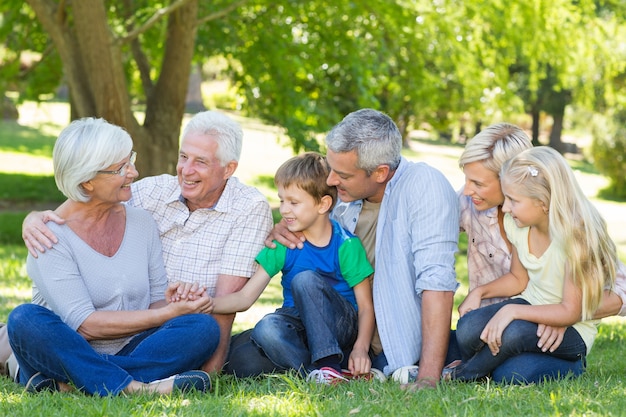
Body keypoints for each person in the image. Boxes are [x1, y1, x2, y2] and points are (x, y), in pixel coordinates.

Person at [20, 111, 274, 374]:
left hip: (145, 339)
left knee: (201, 328)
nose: (186, 171)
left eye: (201, 162)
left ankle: (80, 376)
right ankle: (129, 382)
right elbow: (85, 202)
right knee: (24, 321)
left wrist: (209, 373)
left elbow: (218, 304)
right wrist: (34, 218)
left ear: (228, 169)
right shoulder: (149, 193)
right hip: (82, 339)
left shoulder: (144, 217)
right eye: (183, 157)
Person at [234, 109, 459, 388]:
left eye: (341, 174)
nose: (330, 181)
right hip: (325, 328)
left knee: (252, 356)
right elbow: (311, 215)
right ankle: (328, 373)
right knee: (241, 358)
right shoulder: (343, 195)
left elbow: (437, 283)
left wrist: (428, 378)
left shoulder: (424, 186)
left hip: (385, 341)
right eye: (331, 170)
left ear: (380, 172)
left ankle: (339, 370)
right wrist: (287, 227)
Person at [8, 118, 218, 395]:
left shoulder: (141, 222)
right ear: (87, 181)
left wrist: (175, 303)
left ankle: (72, 383)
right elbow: (86, 326)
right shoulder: (48, 236)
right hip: (69, 346)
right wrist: (168, 312)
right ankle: (137, 388)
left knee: (202, 327)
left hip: (131, 348)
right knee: (24, 319)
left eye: (130, 159)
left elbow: (156, 306)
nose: (134, 171)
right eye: (121, 167)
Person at [444, 123, 626, 384]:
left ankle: (462, 374)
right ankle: (496, 360)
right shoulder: (518, 222)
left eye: (513, 200)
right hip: (531, 308)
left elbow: (571, 310)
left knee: (513, 359)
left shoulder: (575, 237)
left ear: (541, 202)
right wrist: (480, 293)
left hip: (569, 328)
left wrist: (517, 313)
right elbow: (519, 279)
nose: (506, 208)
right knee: (468, 328)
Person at [209, 152, 376, 384]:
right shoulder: (283, 244)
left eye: (294, 202)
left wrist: (361, 348)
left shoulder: (345, 245)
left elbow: (366, 307)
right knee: (259, 338)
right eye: (282, 200)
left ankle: (328, 363)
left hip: (339, 325)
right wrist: (205, 304)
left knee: (305, 280)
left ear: (323, 204)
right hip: (298, 327)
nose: (284, 210)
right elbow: (245, 298)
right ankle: (321, 372)